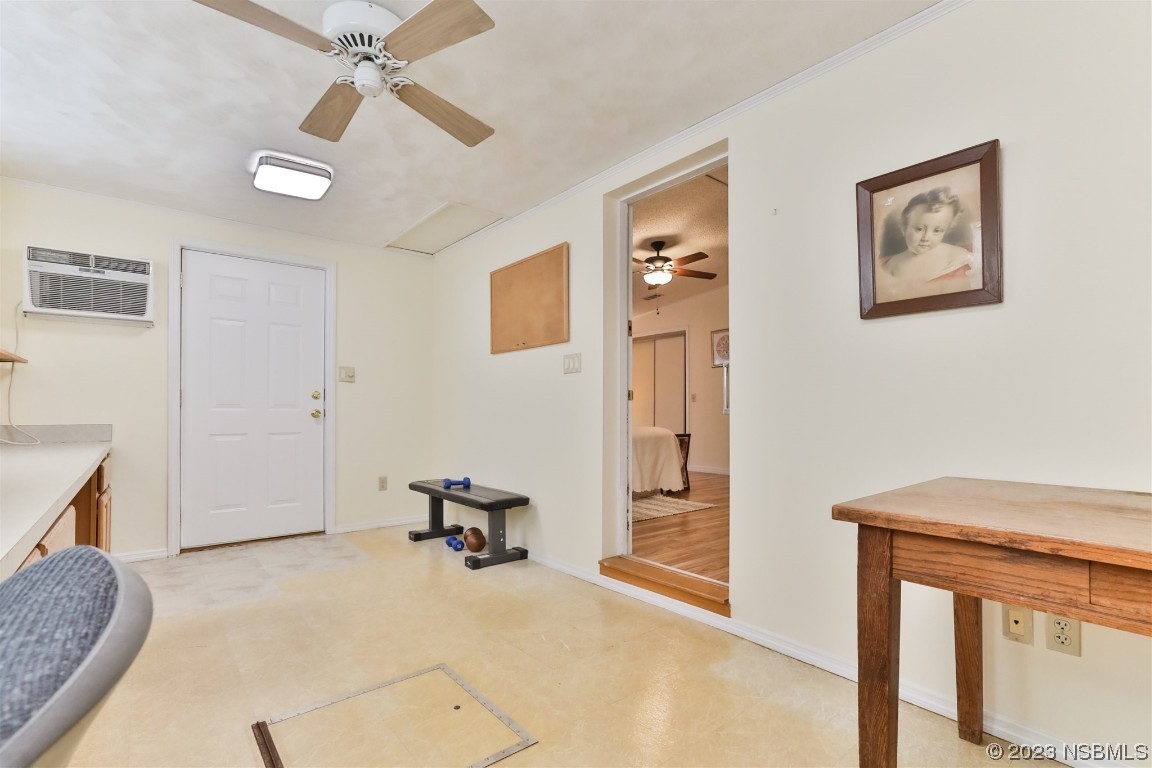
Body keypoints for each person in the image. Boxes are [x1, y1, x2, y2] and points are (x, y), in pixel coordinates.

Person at [875, 186, 977, 303]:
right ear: (904, 227)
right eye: (919, 229)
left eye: (937, 230)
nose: (926, 238)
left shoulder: (966, 260)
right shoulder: (884, 265)